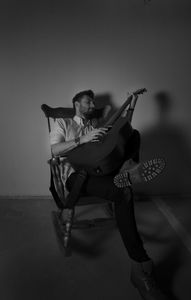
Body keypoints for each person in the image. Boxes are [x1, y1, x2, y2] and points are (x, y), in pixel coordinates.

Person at [50, 89, 168, 300]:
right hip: (77, 177)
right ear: (77, 103)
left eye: (94, 103)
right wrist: (83, 139)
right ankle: (140, 266)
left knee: (132, 137)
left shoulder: (95, 125)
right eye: (88, 102)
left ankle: (129, 168)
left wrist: (131, 103)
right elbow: (55, 150)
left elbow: (122, 129)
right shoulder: (63, 124)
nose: (92, 106)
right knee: (122, 190)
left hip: (101, 170)